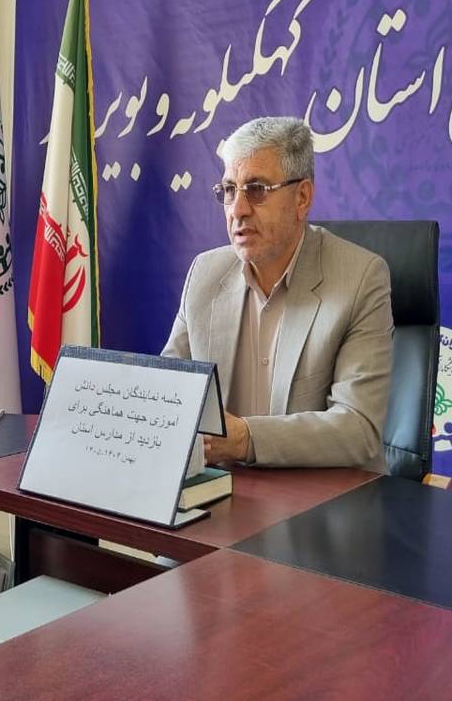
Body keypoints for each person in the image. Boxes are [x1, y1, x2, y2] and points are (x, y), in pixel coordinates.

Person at [162, 117, 392, 471]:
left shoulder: (360, 278)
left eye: (256, 189)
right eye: (229, 190)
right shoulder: (205, 273)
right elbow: (168, 394)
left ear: (302, 197)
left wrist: (245, 439)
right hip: (225, 491)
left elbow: (358, 428)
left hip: (325, 495)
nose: (238, 210)